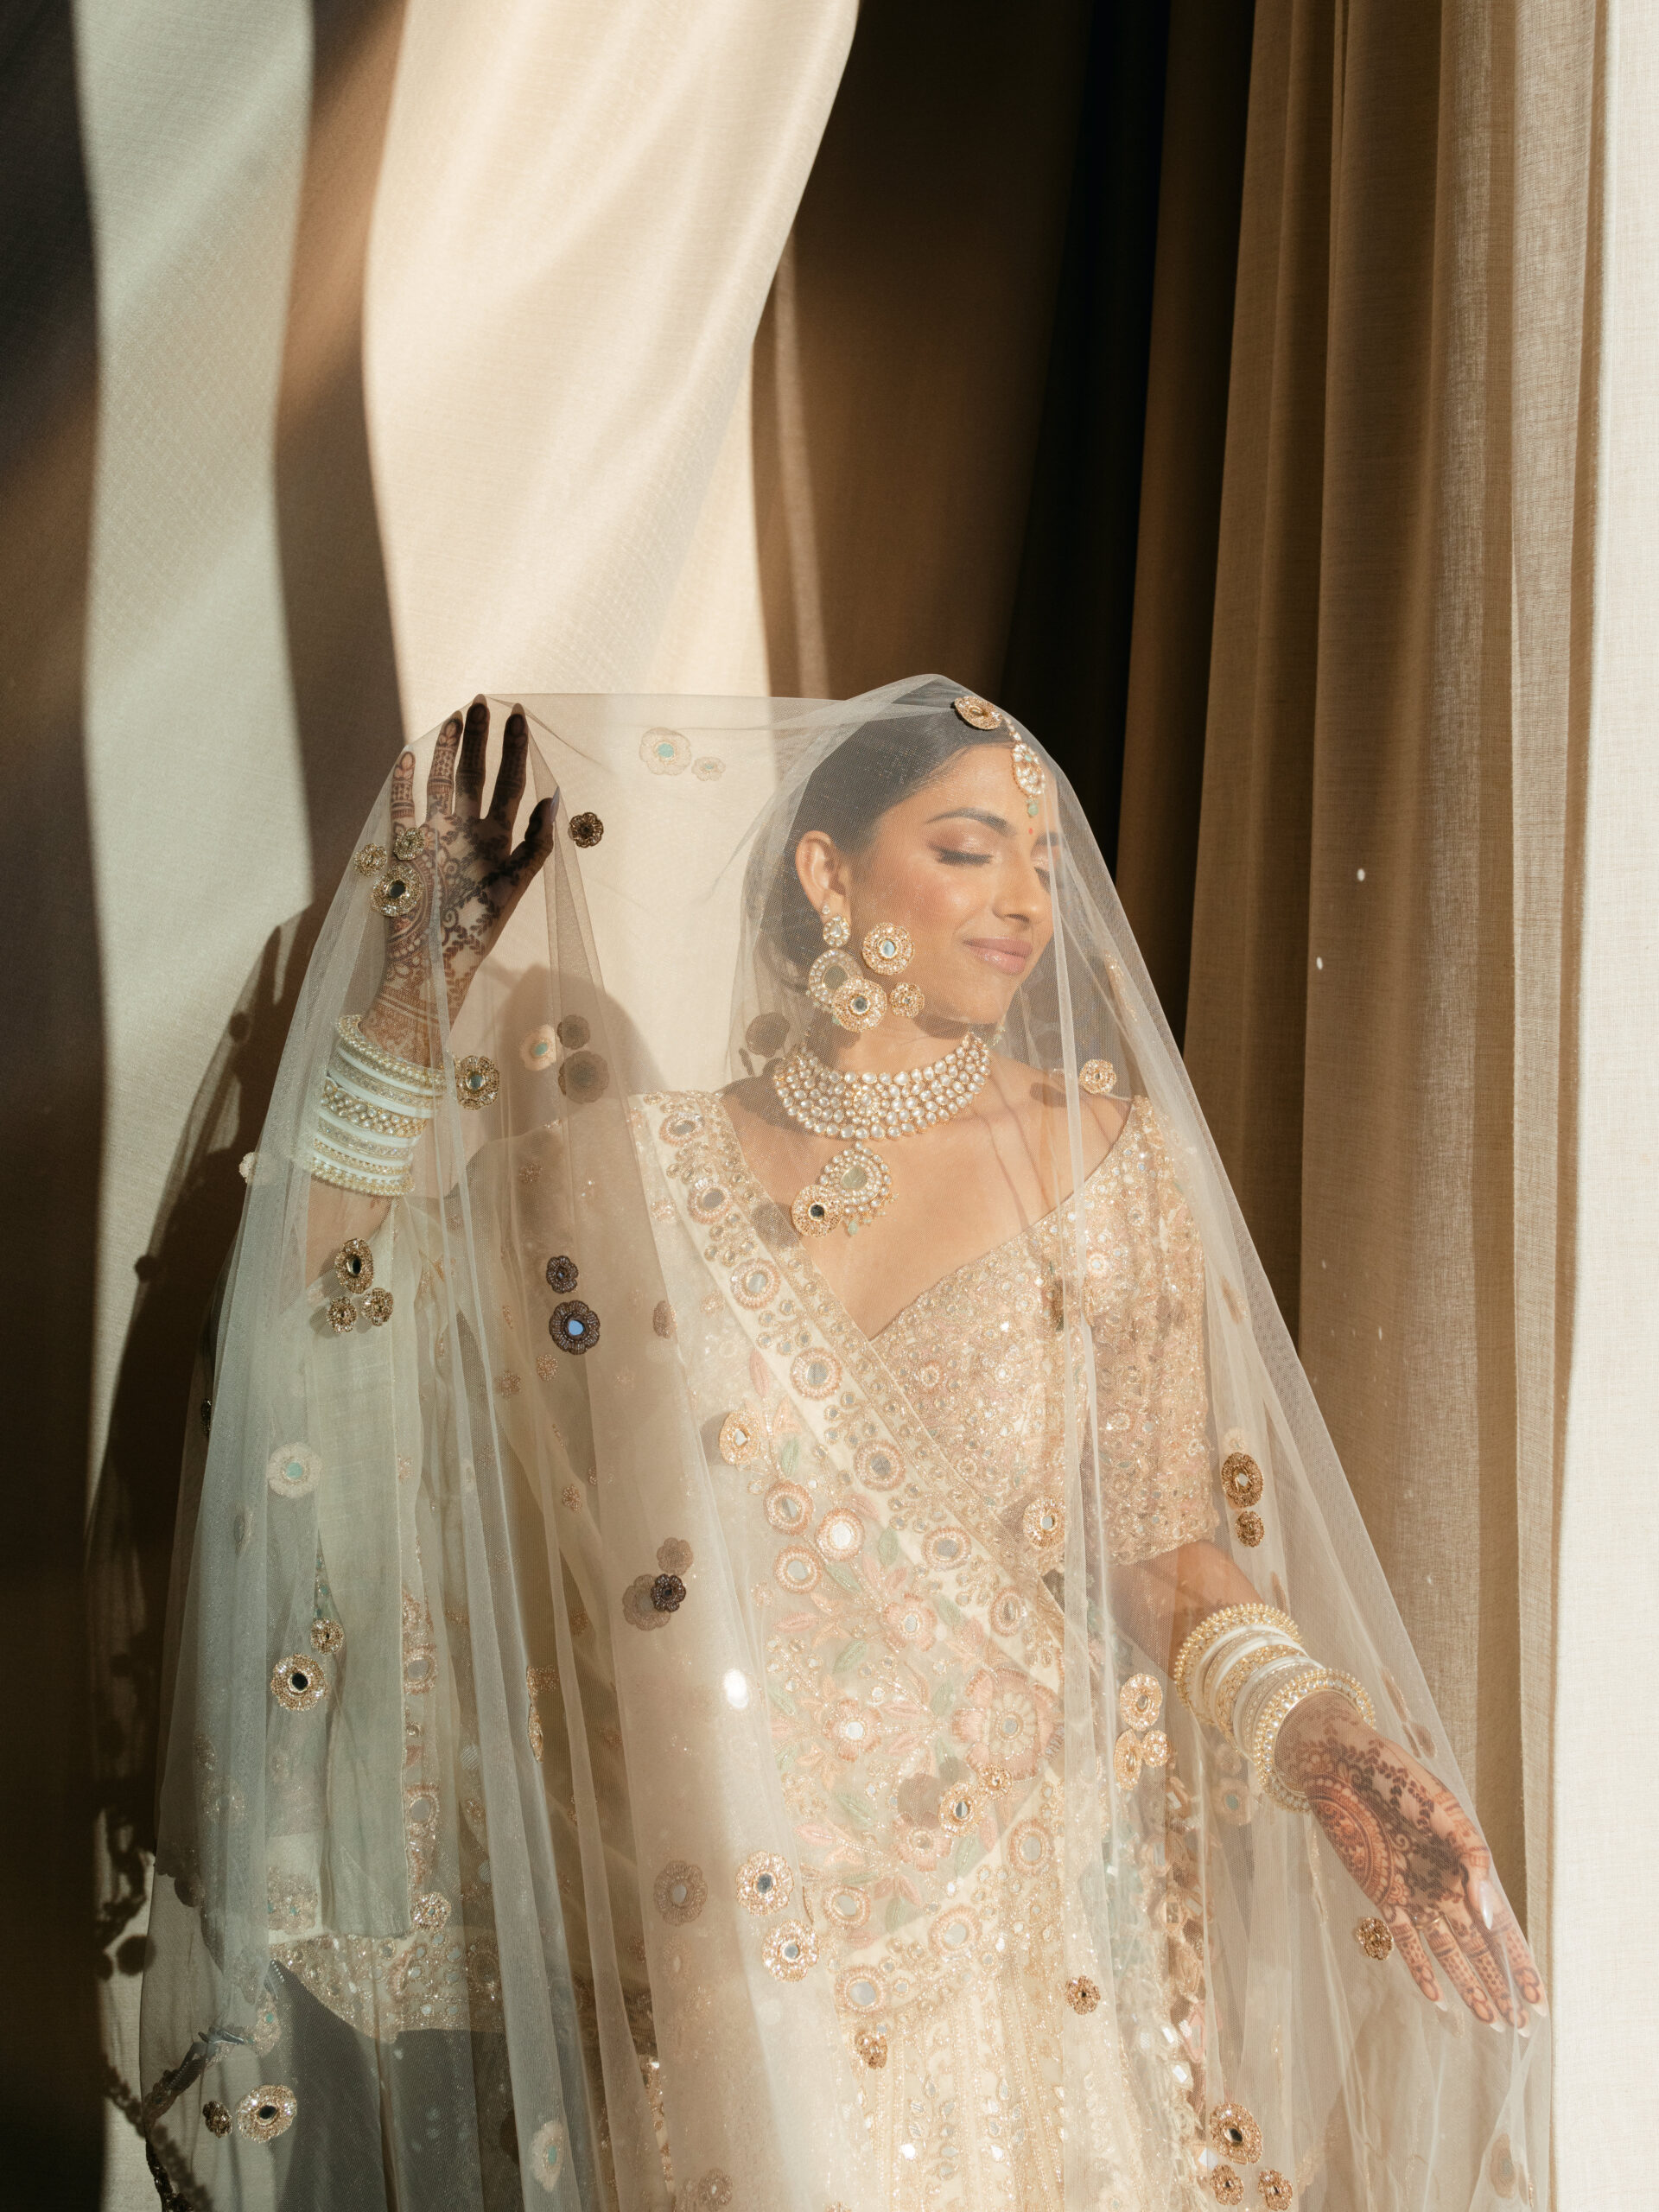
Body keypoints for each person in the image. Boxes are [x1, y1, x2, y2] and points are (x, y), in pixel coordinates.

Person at [141, 682, 1547, 2212]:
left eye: (1041, 864)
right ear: (829, 872)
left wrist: (1319, 1734)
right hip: (713, 1946)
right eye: (968, 850)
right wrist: (409, 1015)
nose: (1025, 902)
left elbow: (1159, 1547)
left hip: (1009, 1955)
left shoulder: (1108, 1167)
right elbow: (335, 1313)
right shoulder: (626, 1177)